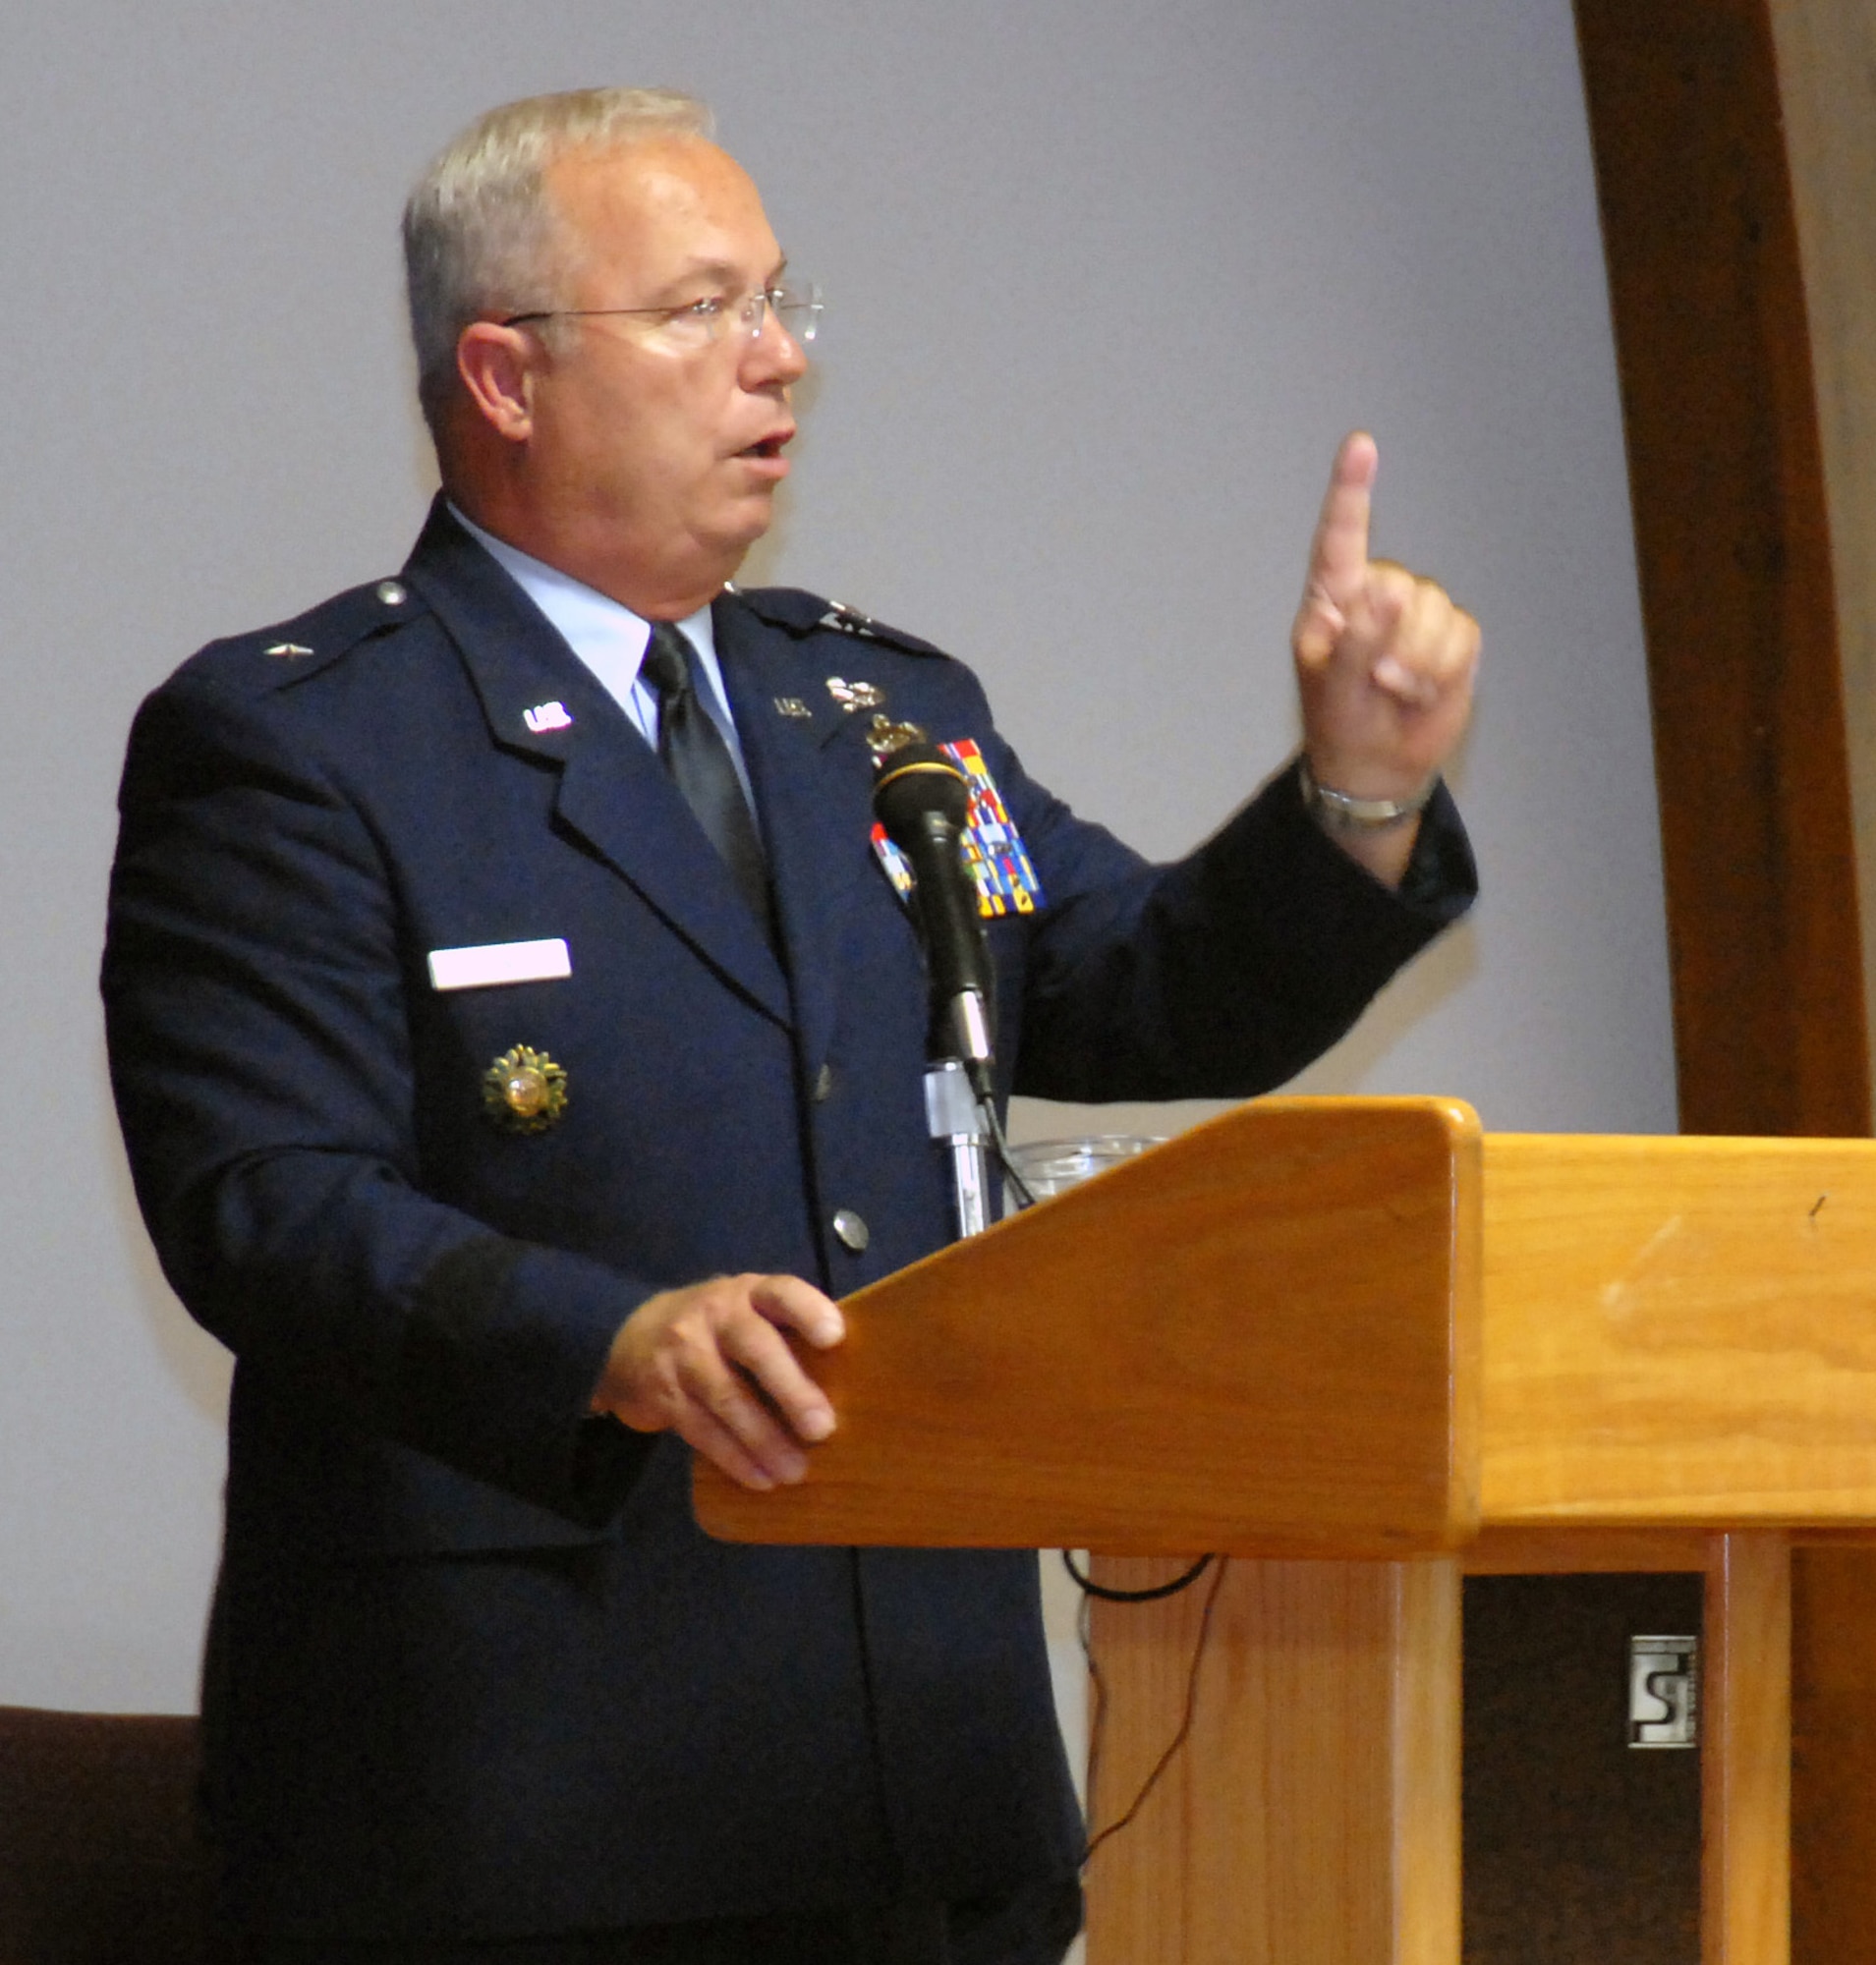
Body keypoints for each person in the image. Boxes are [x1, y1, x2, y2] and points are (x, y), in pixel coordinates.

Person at [102, 86, 1480, 1965]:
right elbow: (265, 1201)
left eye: (778, 302)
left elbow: (1139, 981)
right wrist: (615, 1338)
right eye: (698, 312)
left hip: (920, 1777)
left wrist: (1357, 795)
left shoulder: (879, 716)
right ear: (504, 377)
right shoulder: (307, 743)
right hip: (528, 1803)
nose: (780, 361)